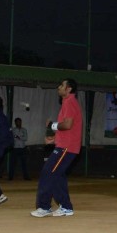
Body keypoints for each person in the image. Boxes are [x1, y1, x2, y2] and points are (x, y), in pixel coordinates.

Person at [31, 78, 82, 217]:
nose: (58, 87)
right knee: (57, 175)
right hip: (65, 145)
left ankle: (44, 207)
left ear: (69, 89)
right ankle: (66, 207)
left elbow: (68, 125)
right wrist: (54, 139)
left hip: (66, 148)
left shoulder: (70, 102)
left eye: (62, 85)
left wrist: (51, 125)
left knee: (48, 172)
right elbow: (69, 129)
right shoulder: (68, 102)